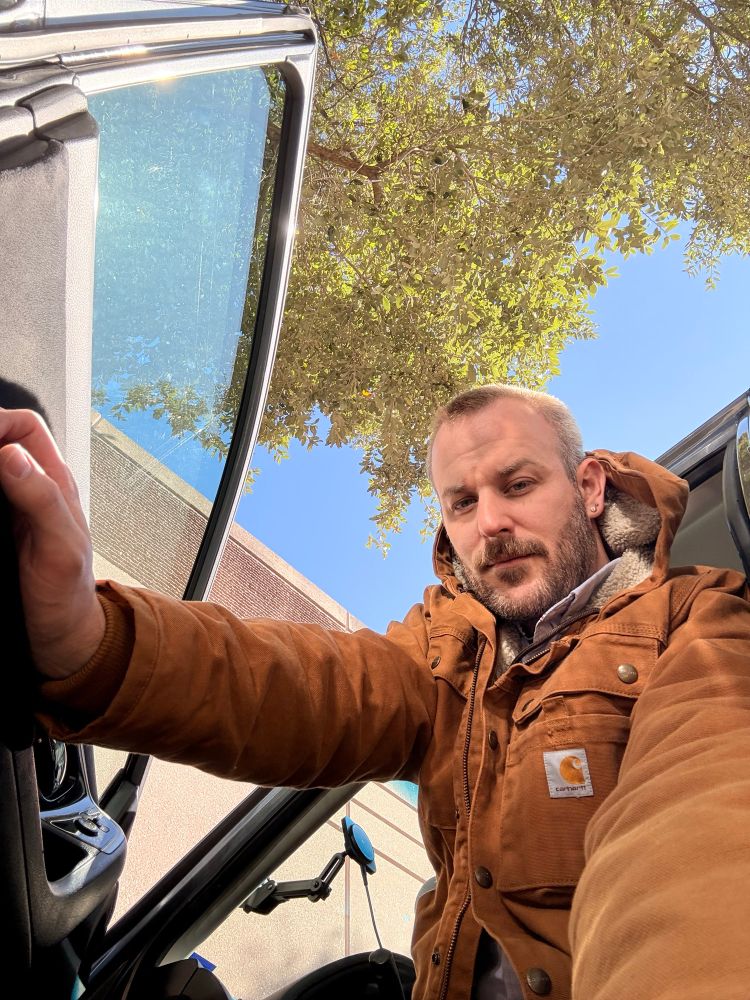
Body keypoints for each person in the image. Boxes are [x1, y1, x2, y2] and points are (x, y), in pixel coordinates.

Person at [1, 384, 749, 1000]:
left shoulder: (701, 620)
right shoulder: (445, 645)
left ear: (588, 486)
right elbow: (295, 686)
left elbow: (706, 826)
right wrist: (85, 638)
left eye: (518, 485)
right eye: (462, 504)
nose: (491, 522)